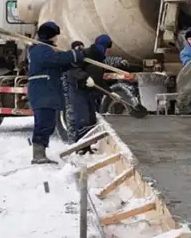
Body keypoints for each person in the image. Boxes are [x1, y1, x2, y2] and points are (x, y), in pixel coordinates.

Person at [27, 21, 84, 164]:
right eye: (56, 36)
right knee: (43, 123)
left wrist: (74, 60)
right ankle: (38, 155)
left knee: (48, 123)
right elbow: (57, 59)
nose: (57, 39)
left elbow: (58, 66)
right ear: (50, 36)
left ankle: (40, 153)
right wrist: (73, 54)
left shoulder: (45, 50)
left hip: (47, 92)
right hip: (42, 92)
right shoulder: (40, 50)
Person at [66, 35, 124, 152]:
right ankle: (80, 148)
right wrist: (84, 77)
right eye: (108, 48)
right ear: (103, 47)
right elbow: (72, 69)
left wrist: (111, 93)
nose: (109, 51)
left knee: (91, 120)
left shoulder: (99, 59)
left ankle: (86, 147)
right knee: (83, 119)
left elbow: (99, 81)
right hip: (78, 91)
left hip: (89, 92)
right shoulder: (86, 54)